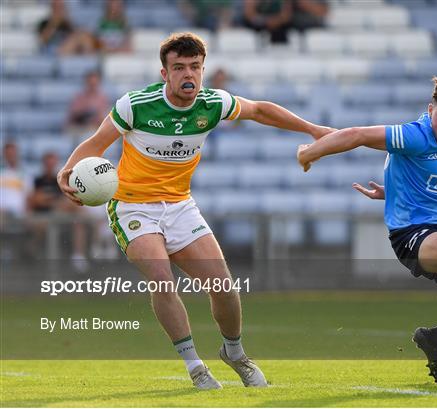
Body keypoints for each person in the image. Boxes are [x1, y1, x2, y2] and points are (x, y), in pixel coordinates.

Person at [57, 32, 333, 390]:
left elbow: (260, 110)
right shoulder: (135, 105)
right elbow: (95, 143)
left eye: (195, 67)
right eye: (179, 67)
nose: (188, 74)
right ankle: (195, 367)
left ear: (203, 69)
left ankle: (234, 353)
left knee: (223, 287)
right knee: (161, 278)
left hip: (179, 205)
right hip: (132, 206)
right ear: (165, 73)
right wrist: (66, 171)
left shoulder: (212, 104)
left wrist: (312, 129)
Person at [297, 74, 437, 384]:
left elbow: (420, 177)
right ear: (430, 109)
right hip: (413, 235)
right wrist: (310, 153)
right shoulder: (416, 134)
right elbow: (357, 134)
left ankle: (436, 338)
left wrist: (393, 191)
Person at [28, 152, 89, 269]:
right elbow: (35, 200)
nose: (50, 166)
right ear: (44, 164)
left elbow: (66, 199)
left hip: (60, 216)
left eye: (53, 163)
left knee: (78, 222)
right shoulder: (37, 180)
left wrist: (48, 200)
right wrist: (55, 201)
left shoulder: (60, 180)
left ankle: (78, 255)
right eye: (48, 164)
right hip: (42, 217)